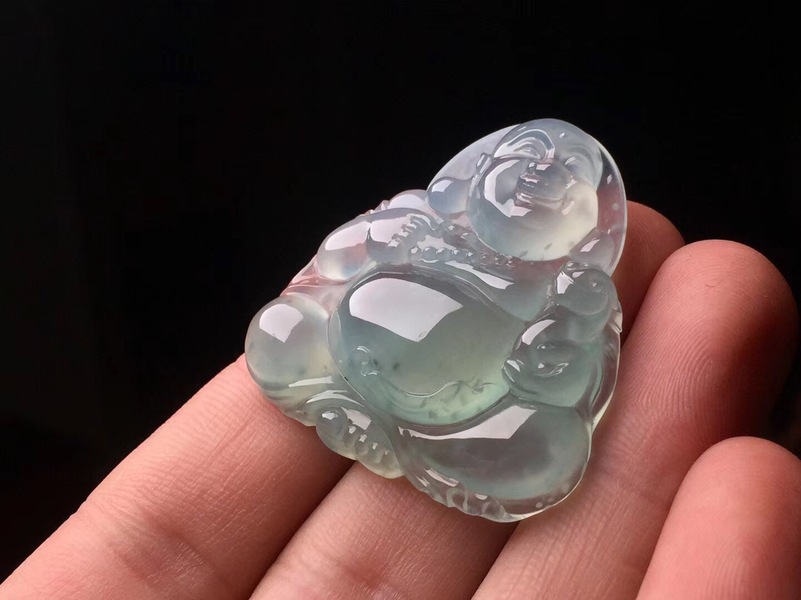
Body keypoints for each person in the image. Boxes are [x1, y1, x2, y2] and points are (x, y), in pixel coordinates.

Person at [1, 202, 799, 599]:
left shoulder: (565, 285)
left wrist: (547, 342)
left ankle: (406, 429)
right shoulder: (419, 225)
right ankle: (378, 417)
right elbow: (336, 266)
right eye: (522, 164)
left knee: (547, 451)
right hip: (363, 358)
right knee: (281, 331)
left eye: (558, 182)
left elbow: (558, 379)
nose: (533, 185)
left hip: (467, 398)